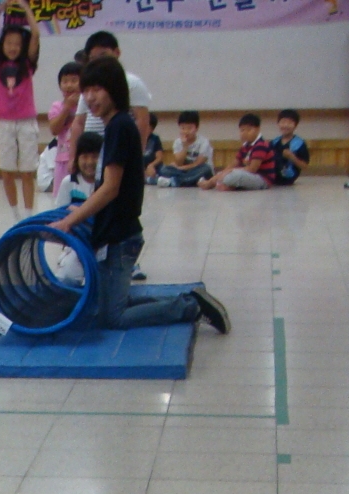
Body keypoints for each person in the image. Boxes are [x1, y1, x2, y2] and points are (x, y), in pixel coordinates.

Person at [50, 57, 228, 335]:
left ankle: (190, 308)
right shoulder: (115, 127)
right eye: (87, 90)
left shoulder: (120, 127)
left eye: (98, 89)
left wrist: (71, 220)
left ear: (115, 89)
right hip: (113, 234)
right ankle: (189, 300)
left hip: (121, 239)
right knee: (108, 303)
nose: (90, 97)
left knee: (114, 317)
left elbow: (110, 188)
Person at [65, 31, 151, 177]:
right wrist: (74, 156)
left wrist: (137, 156)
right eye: (93, 58)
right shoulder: (88, 85)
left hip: (117, 150)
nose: (99, 62)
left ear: (116, 52)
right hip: (92, 151)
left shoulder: (132, 83)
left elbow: (142, 121)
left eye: (103, 55)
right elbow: (78, 123)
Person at [0, 0, 42, 221]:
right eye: (8, 42)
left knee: (27, 172)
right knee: (7, 171)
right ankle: (15, 215)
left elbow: (36, 34)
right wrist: (0, 9)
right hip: (5, 123)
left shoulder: (27, 65)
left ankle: (28, 215)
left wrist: (24, 6)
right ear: (3, 45)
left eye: (17, 44)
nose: (12, 47)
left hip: (26, 122)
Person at [200, 113, 275, 191]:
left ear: (258, 130)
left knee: (234, 175)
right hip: (249, 175)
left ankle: (219, 184)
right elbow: (235, 162)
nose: (245, 133)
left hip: (262, 179)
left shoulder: (261, 145)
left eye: (249, 130)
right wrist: (224, 172)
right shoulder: (245, 146)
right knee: (222, 173)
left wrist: (231, 171)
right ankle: (215, 183)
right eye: (242, 130)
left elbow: (252, 169)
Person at [46, 62, 83, 206]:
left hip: (82, 158)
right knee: (63, 200)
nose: (69, 85)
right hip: (63, 160)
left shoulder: (88, 106)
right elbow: (54, 129)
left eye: (74, 81)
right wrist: (67, 108)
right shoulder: (57, 106)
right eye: (65, 81)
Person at [153, 111, 212, 188]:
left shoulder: (204, 142)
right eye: (183, 128)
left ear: (197, 128)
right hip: (183, 171)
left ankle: (175, 181)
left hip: (197, 170)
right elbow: (179, 162)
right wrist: (185, 146)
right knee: (164, 169)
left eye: (190, 128)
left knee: (206, 169)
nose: (186, 131)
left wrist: (180, 168)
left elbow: (198, 164)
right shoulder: (178, 142)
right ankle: (190, 181)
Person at [271, 109, 309, 186]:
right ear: (278, 124)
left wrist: (292, 157)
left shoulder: (299, 143)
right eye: (283, 122)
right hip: (272, 178)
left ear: (295, 125)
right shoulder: (274, 142)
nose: (286, 125)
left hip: (288, 179)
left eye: (290, 122)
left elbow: (304, 166)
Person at [64, 131, 102, 207]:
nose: (90, 162)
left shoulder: (106, 183)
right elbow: (59, 211)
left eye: (95, 157)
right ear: (77, 158)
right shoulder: (69, 182)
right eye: (85, 157)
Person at [142, 112, 163, 179]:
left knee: (164, 170)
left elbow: (159, 157)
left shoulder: (155, 139)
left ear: (152, 129)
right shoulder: (134, 138)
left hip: (154, 167)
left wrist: (151, 165)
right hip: (139, 168)